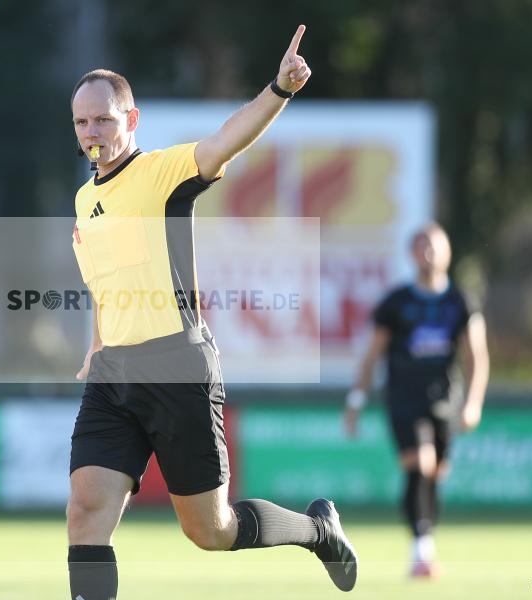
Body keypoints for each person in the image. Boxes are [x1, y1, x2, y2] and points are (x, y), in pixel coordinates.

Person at [67, 25, 357, 600]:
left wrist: (279, 88)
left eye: (103, 118)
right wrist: (97, 343)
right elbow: (107, 282)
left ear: (132, 119)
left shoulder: (162, 174)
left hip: (177, 367)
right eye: (81, 121)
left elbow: (227, 139)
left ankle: (317, 531)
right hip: (113, 376)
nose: (92, 131)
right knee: (85, 511)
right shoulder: (85, 198)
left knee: (211, 530)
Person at [344, 223, 489, 577]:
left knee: (435, 473)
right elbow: (372, 354)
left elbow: (477, 357)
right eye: (422, 246)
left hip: (445, 402)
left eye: (435, 246)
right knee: (419, 466)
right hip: (404, 399)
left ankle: (426, 541)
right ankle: (420, 550)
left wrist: (473, 403)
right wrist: (356, 399)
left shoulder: (461, 302)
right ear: (411, 254)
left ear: (448, 253)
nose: (429, 253)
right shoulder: (396, 303)